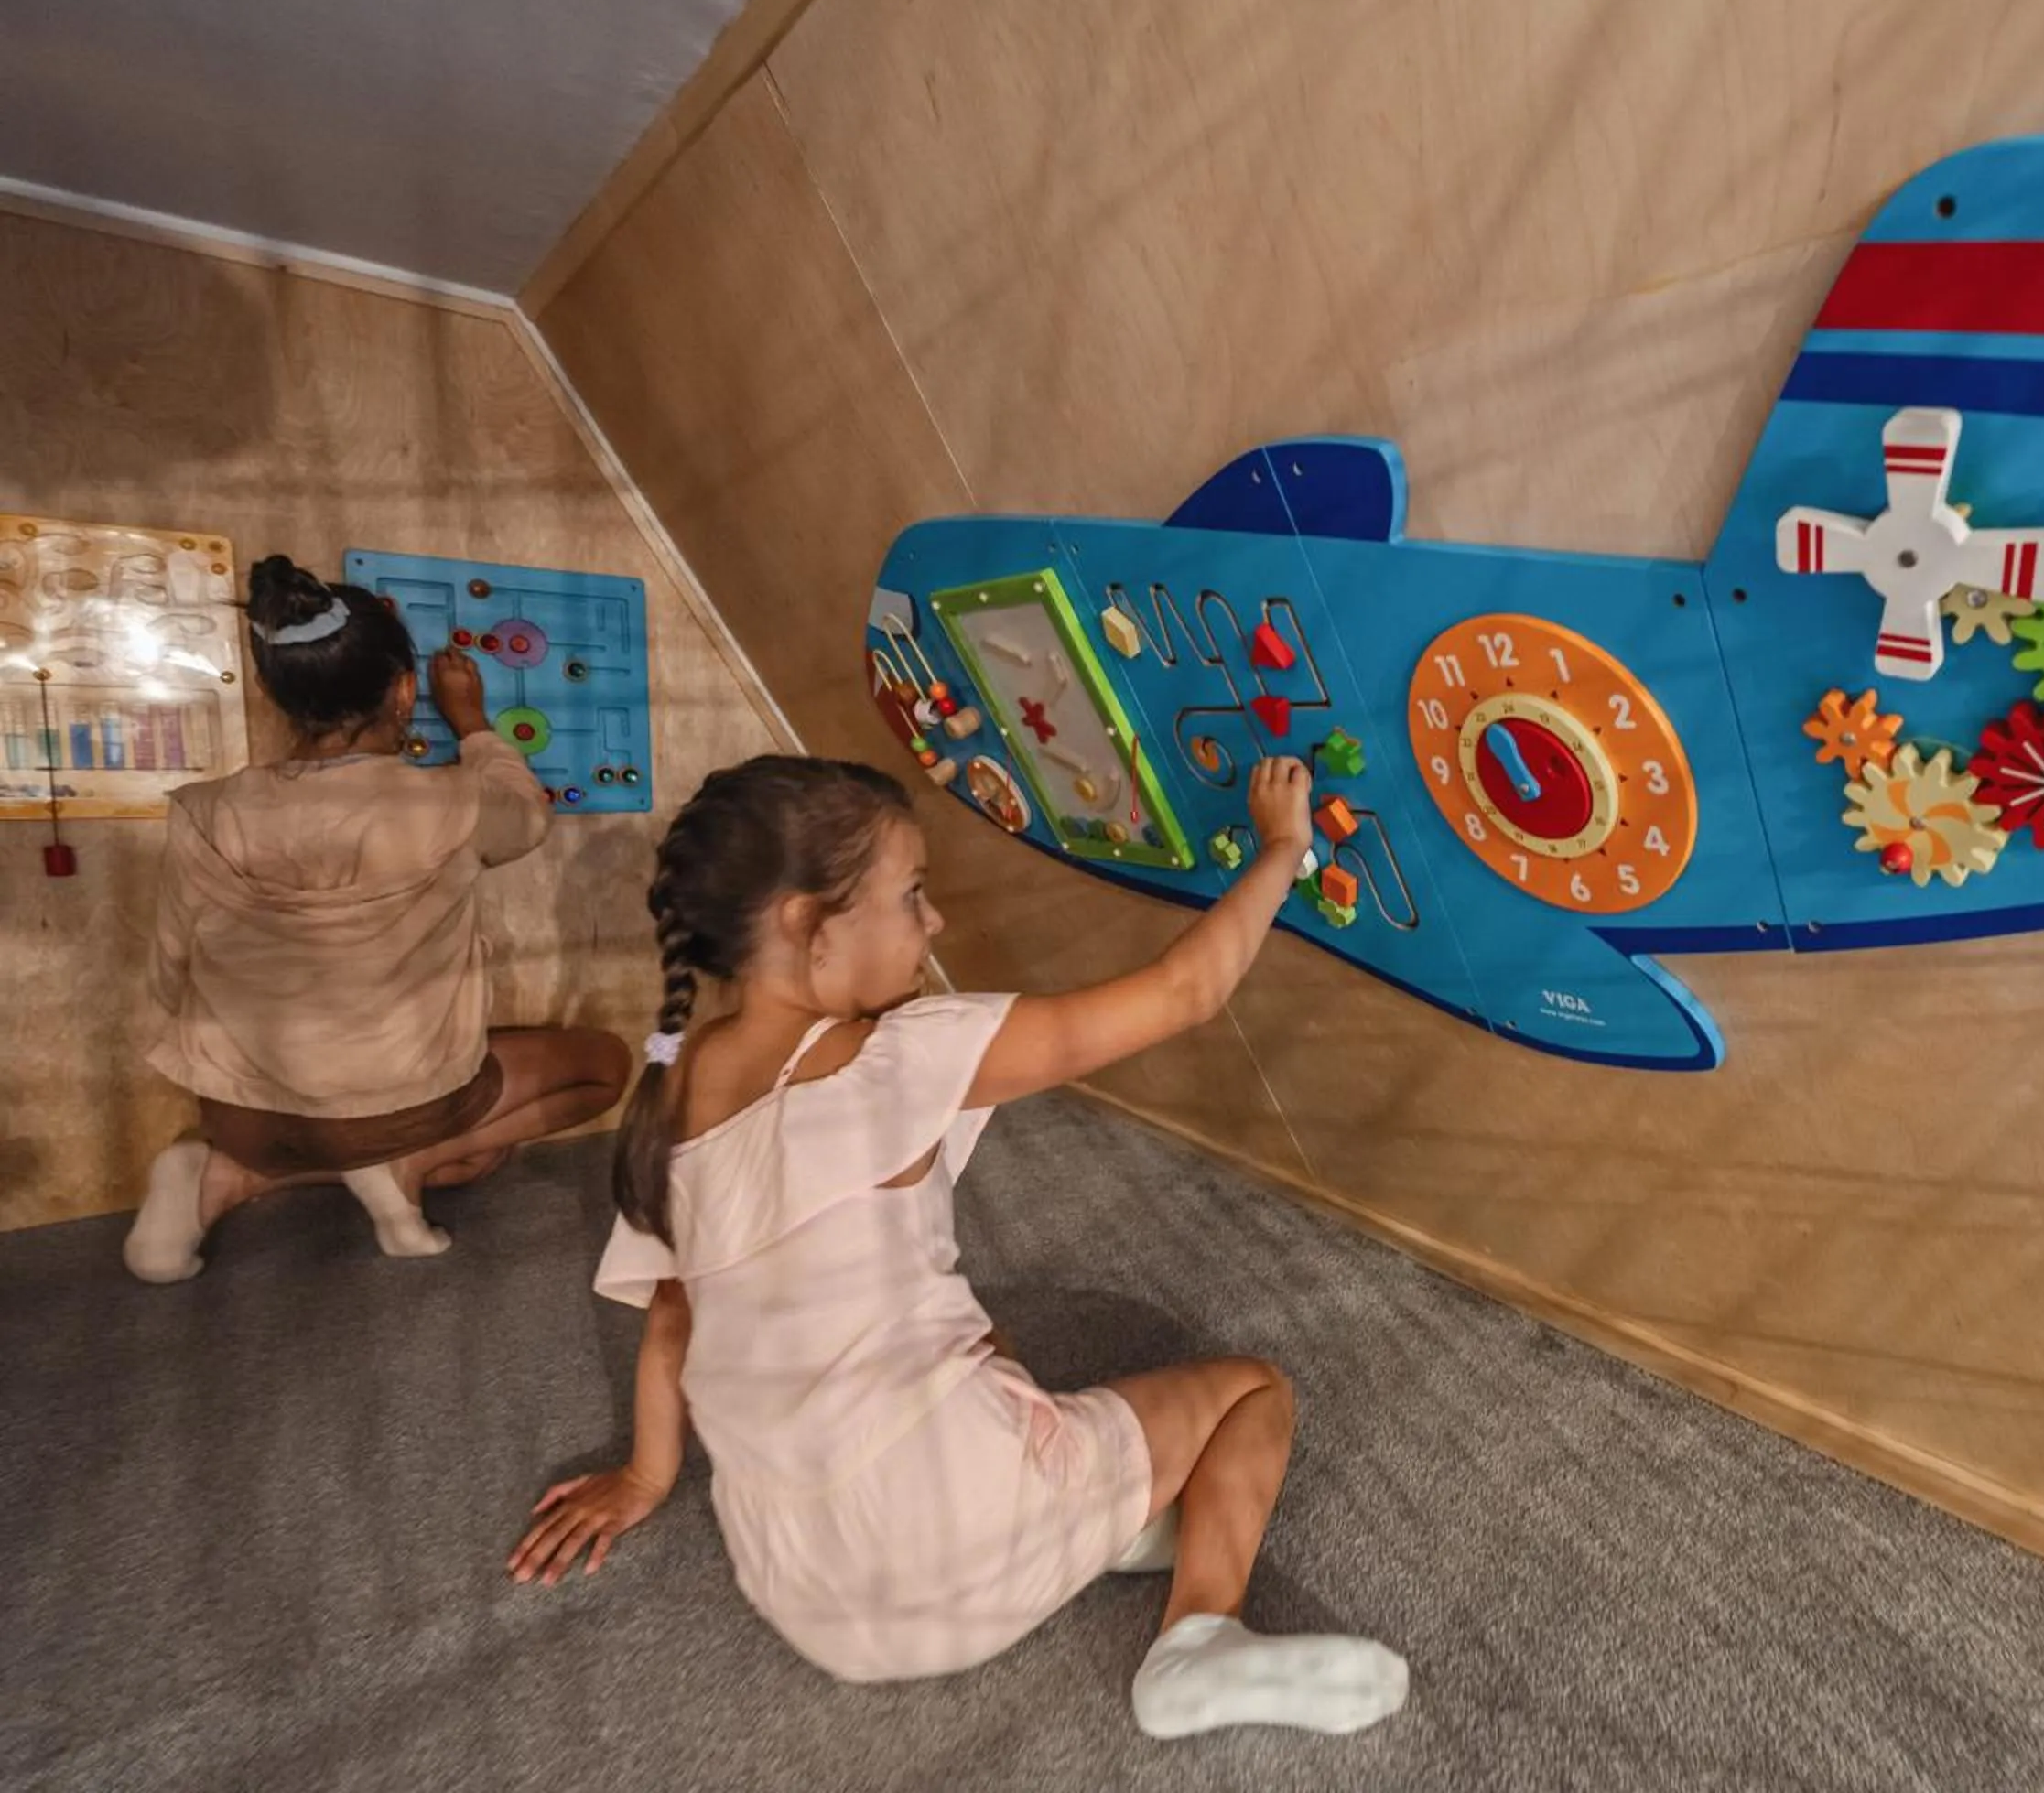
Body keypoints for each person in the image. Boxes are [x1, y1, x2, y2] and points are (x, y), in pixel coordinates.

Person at [507, 753, 1407, 1740]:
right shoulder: (903, 1049)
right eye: (913, 893)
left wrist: (643, 1476)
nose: (933, 924)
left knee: (986, 1343)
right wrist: (1282, 844)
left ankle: (1094, 1521)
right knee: (1252, 1388)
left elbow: (674, 1315)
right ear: (812, 923)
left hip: (811, 1596)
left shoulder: (664, 1100)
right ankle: (1198, 1634)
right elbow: (1187, 990)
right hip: (957, 1544)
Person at [124, 555, 631, 1282]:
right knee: (602, 1068)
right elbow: (527, 819)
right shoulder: (452, 802)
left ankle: (226, 1175)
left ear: (270, 690)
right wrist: (475, 726)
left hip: (244, 1118)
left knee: (457, 1139)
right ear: (403, 691)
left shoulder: (204, 812)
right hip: (404, 1111)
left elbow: (169, 968)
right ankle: (399, 1169)